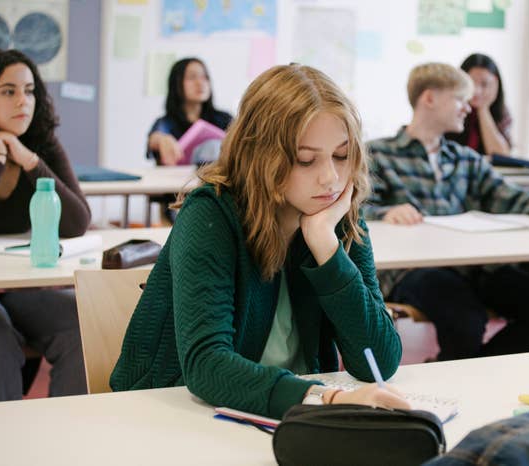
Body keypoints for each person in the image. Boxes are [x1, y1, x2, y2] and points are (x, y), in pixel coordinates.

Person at [111, 64, 409, 419]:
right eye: (306, 160)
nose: (330, 178)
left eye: (341, 156)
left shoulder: (336, 216)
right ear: (262, 156)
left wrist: (326, 248)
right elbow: (207, 366)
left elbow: (380, 359)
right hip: (174, 414)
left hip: (284, 417)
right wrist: (325, 400)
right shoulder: (211, 214)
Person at [365, 63, 529, 361]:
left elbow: (512, 197)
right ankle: (461, 375)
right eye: (460, 100)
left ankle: (466, 370)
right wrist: (385, 212)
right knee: (466, 319)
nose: (468, 108)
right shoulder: (378, 154)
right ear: (430, 98)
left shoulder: (465, 159)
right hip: (412, 272)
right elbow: (353, 210)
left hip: (470, 265)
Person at [0, 49, 90, 402]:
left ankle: (64, 441)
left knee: (80, 323)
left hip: (17, 285)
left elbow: (77, 222)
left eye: (30, 90)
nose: (23, 101)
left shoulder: (40, 144)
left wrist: (28, 160)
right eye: (8, 91)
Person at [147, 57, 232, 166]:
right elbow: (155, 138)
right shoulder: (166, 123)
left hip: (218, 178)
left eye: (205, 77)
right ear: (177, 83)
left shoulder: (224, 119)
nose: (200, 83)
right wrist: (160, 140)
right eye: (192, 77)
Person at [446, 53, 511, 156]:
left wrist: (483, 109)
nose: (477, 91)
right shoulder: (450, 107)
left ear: (496, 84)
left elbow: (501, 156)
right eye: (471, 83)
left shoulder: (501, 111)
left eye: (484, 84)